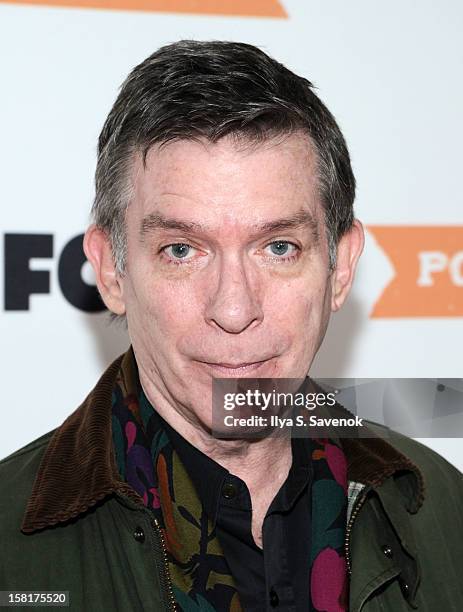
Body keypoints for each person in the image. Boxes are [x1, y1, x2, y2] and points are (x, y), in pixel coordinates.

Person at [1, 40, 462, 612]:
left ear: (340, 268)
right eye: (181, 250)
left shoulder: (444, 511)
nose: (235, 309)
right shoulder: (10, 549)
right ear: (112, 270)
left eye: (277, 246)